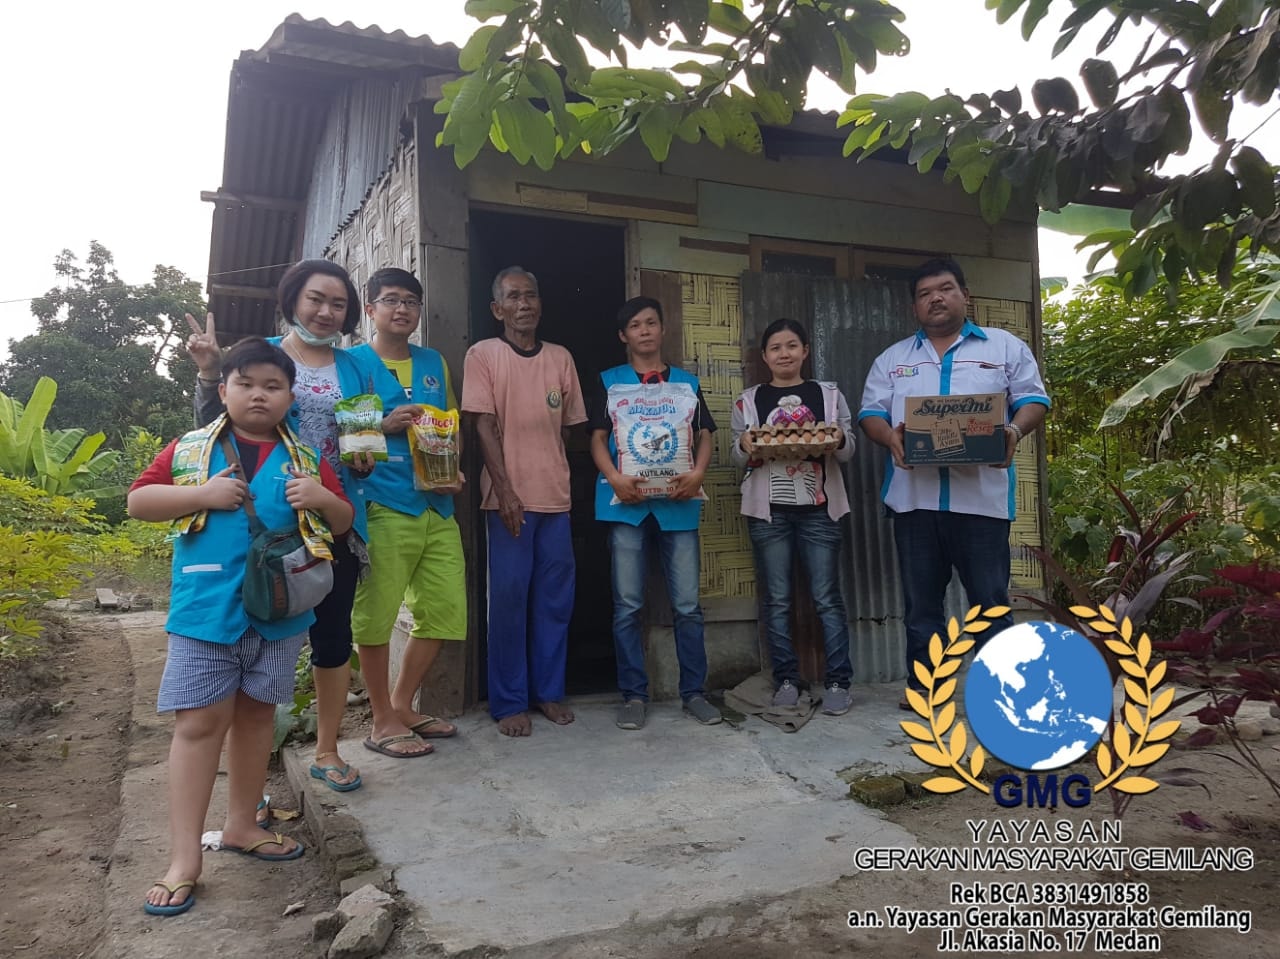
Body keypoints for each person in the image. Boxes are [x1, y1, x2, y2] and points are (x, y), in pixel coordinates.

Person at [129, 337, 354, 917]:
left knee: (257, 716)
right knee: (199, 724)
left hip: (279, 613)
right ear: (223, 389)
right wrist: (201, 494)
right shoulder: (191, 450)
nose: (259, 394)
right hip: (207, 610)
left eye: (273, 386)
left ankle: (241, 826)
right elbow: (139, 502)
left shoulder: (306, 457)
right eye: (246, 383)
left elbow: (343, 520)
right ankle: (184, 858)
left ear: (290, 398)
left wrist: (321, 497)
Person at [187, 259, 371, 793]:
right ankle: (249, 768)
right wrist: (209, 372)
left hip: (334, 516)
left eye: (338, 304)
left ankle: (327, 749)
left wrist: (363, 458)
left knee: (333, 635)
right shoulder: (260, 356)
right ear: (292, 299)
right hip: (263, 523)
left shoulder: (354, 367)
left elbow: (360, 433)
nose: (326, 311)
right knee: (254, 640)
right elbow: (211, 430)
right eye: (316, 299)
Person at [857, 257, 1050, 709]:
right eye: (925, 294)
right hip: (914, 502)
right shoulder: (893, 359)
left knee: (990, 602)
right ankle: (927, 689)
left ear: (966, 295)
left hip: (981, 502)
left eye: (945, 289)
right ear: (914, 307)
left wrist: (1013, 431)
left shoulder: (1005, 347)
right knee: (922, 605)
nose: (936, 299)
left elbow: (1034, 399)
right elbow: (870, 414)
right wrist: (890, 438)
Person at [346, 267, 467, 758]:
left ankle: (402, 704)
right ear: (370, 308)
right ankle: (381, 720)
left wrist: (454, 469)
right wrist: (383, 423)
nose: (402, 309)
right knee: (375, 616)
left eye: (411, 302)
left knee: (443, 611)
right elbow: (346, 438)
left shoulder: (433, 361)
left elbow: (451, 424)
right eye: (391, 300)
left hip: (437, 505)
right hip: (382, 501)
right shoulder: (353, 363)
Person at [462, 266, 586, 737]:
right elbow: (482, 424)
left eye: (530, 295)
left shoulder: (560, 357)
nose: (524, 304)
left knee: (555, 600)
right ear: (497, 309)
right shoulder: (484, 354)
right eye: (513, 297)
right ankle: (509, 700)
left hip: (555, 498)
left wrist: (547, 467)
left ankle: (548, 692)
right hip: (507, 502)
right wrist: (507, 491)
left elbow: (570, 427)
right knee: (509, 600)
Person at [588, 296, 722, 730]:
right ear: (623, 336)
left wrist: (698, 474)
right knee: (627, 605)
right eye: (635, 325)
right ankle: (633, 694)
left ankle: (694, 692)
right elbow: (597, 438)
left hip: (678, 504)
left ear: (663, 330)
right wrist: (614, 477)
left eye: (651, 323)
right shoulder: (610, 382)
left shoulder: (686, 383)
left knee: (687, 605)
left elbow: (704, 433)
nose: (644, 331)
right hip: (625, 504)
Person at [730, 319, 858, 716]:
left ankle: (838, 682)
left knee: (827, 598)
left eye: (791, 346)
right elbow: (737, 455)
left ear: (805, 350)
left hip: (820, 509)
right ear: (764, 356)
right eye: (775, 347)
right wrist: (745, 444)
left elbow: (848, 450)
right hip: (769, 513)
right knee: (778, 600)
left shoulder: (828, 395)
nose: (783, 354)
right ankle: (786, 679)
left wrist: (838, 438)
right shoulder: (749, 400)